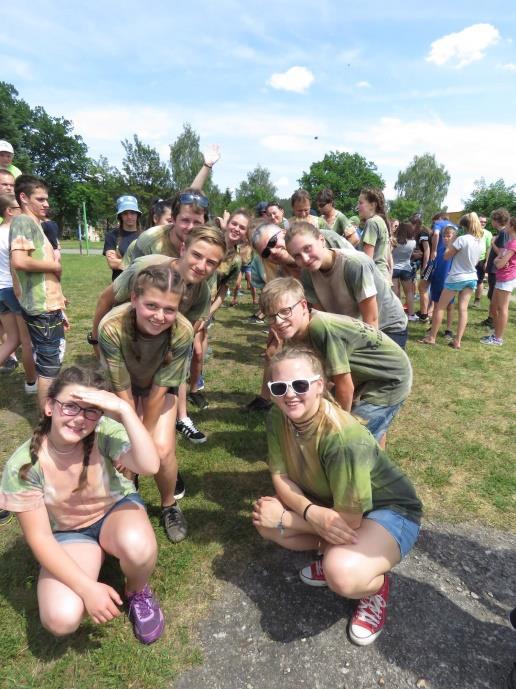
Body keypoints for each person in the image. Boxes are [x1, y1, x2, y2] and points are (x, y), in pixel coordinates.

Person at [252, 346, 422, 646]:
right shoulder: (277, 419)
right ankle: (332, 550)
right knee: (267, 524)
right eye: (279, 387)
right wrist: (309, 512)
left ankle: (375, 587)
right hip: (336, 505)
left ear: (320, 386)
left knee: (341, 574)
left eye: (300, 385)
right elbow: (280, 476)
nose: (290, 394)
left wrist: (289, 518)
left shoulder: (342, 439)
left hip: (389, 510)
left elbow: (350, 520)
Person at [0, 365, 165, 644]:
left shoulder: (104, 431)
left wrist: (123, 410)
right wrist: (87, 589)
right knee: (60, 618)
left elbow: (149, 465)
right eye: (70, 407)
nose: (80, 419)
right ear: (50, 406)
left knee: (138, 547)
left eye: (90, 410)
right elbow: (39, 538)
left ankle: (136, 590)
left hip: (114, 510)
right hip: (69, 533)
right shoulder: (24, 466)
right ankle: (92, 556)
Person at [98, 265, 193, 543]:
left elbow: (160, 390)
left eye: (169, 309)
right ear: (134, 298)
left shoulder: (182, 331)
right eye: (151, 305)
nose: (160, 316)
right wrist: (132, 438)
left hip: (157, 388)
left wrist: (145, 439)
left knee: (160, 450)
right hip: (122, 386)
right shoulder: (112, 327)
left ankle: (168, 504)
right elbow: (122, 389)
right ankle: (123, 498)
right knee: (118, 447)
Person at [260, 277, 412, 448]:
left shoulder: (320, 328)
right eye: (271, 316)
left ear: (303, 306)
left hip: (390, 379)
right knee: (364, 429)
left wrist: (338, 429)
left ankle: (363, 465)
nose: (279, 321)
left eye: (285, 311)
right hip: (367, 375)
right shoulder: (294, 334)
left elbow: (345, 388)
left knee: (353, 442)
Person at [284, 222, 409, 348]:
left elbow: (371, 321)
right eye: (297, 256)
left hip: (387, 326)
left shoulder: (355, 264)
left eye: (307, 248)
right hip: (355, 328)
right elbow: (323, 318)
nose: (305, 258)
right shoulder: (307, 273)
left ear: (321, 240)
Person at [10, 175, 66, 410]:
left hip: (49, 305)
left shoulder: (35, 225)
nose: (46, 204)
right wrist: (54, 265)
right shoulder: (23, 222)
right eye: (40, 199)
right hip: (41, 308)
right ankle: (47, 422)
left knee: (51, 362)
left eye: (47, 199)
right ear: (23, 198)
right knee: (48, 368)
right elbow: (19, 260)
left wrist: (60, 300)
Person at [419, 213, 483, 349]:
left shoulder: (461, 239)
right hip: (471, 277)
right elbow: (476, 261)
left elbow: (447, 256)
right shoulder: (479, 240)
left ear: (464, 226)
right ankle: (457, 341)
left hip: (456, 277)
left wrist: (451, 241)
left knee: (440, 307)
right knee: (463, 309)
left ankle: (432, 337)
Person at [0, 193, 37, 391]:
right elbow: (16, 264)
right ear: (9, 211)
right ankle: (32, 383)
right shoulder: (12, 233)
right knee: (26, 341)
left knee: (11, 340)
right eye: (18, 208)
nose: (22, 212)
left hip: (0, 292)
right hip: (13, 290)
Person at [480, 215, 516, 346]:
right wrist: (498, 260)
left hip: (506, 278)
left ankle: (498, 338)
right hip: (501, 277)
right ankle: (496, 333)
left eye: (507, 224)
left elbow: (500, 264)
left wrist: (499, 261)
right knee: (493, 306)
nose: (505, 226)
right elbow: (498, 260)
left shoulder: (513, 243)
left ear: (512, 227)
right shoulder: (509, 242)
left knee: (502, 308)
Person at [481, 208, 510, 329]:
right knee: (492, 295)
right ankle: (490, 319)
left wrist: (493, 243)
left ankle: (493, 321)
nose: (491, 221)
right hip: (494, 268)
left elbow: (502, 253)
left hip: (496, 269)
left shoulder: (503, 233)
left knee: (494, 297)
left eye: (492, 219)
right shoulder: (502, 232)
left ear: (496, 220)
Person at [103, 196, 142, 281]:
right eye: (125, 213)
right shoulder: (111, 236)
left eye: (132, 213)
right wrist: (141, 264)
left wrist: (120, 260)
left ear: (137, 214)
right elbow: (112, 263)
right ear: (120, 215)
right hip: (119, 285)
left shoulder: (146, 235)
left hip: (142, 284)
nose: (129, 216)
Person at [357, 188, 392, 281]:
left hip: (374, 278)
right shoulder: (381, 221)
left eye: (360, 203)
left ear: (372, 205)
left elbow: (367, 260)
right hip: (383, 276)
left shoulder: (372, 222)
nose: (357, 207)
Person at [391, 221, 418, 321]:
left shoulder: (394, 241)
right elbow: (411, 255)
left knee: (396, 293)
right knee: (409, 293)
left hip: (394, 268)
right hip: (406, 268)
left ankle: (397, 314)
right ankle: (411, 314)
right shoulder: (413, 242)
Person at [472, 216, 492, 308]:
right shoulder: (471, 231)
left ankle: (477, 300)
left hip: (481, 260)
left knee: (479, 281)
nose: (483, 223)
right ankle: (464, 299)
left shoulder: (488, 233)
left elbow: (489, 248)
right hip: (470, 259)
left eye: (485, 222)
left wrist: (487, 261)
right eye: (481, 221)